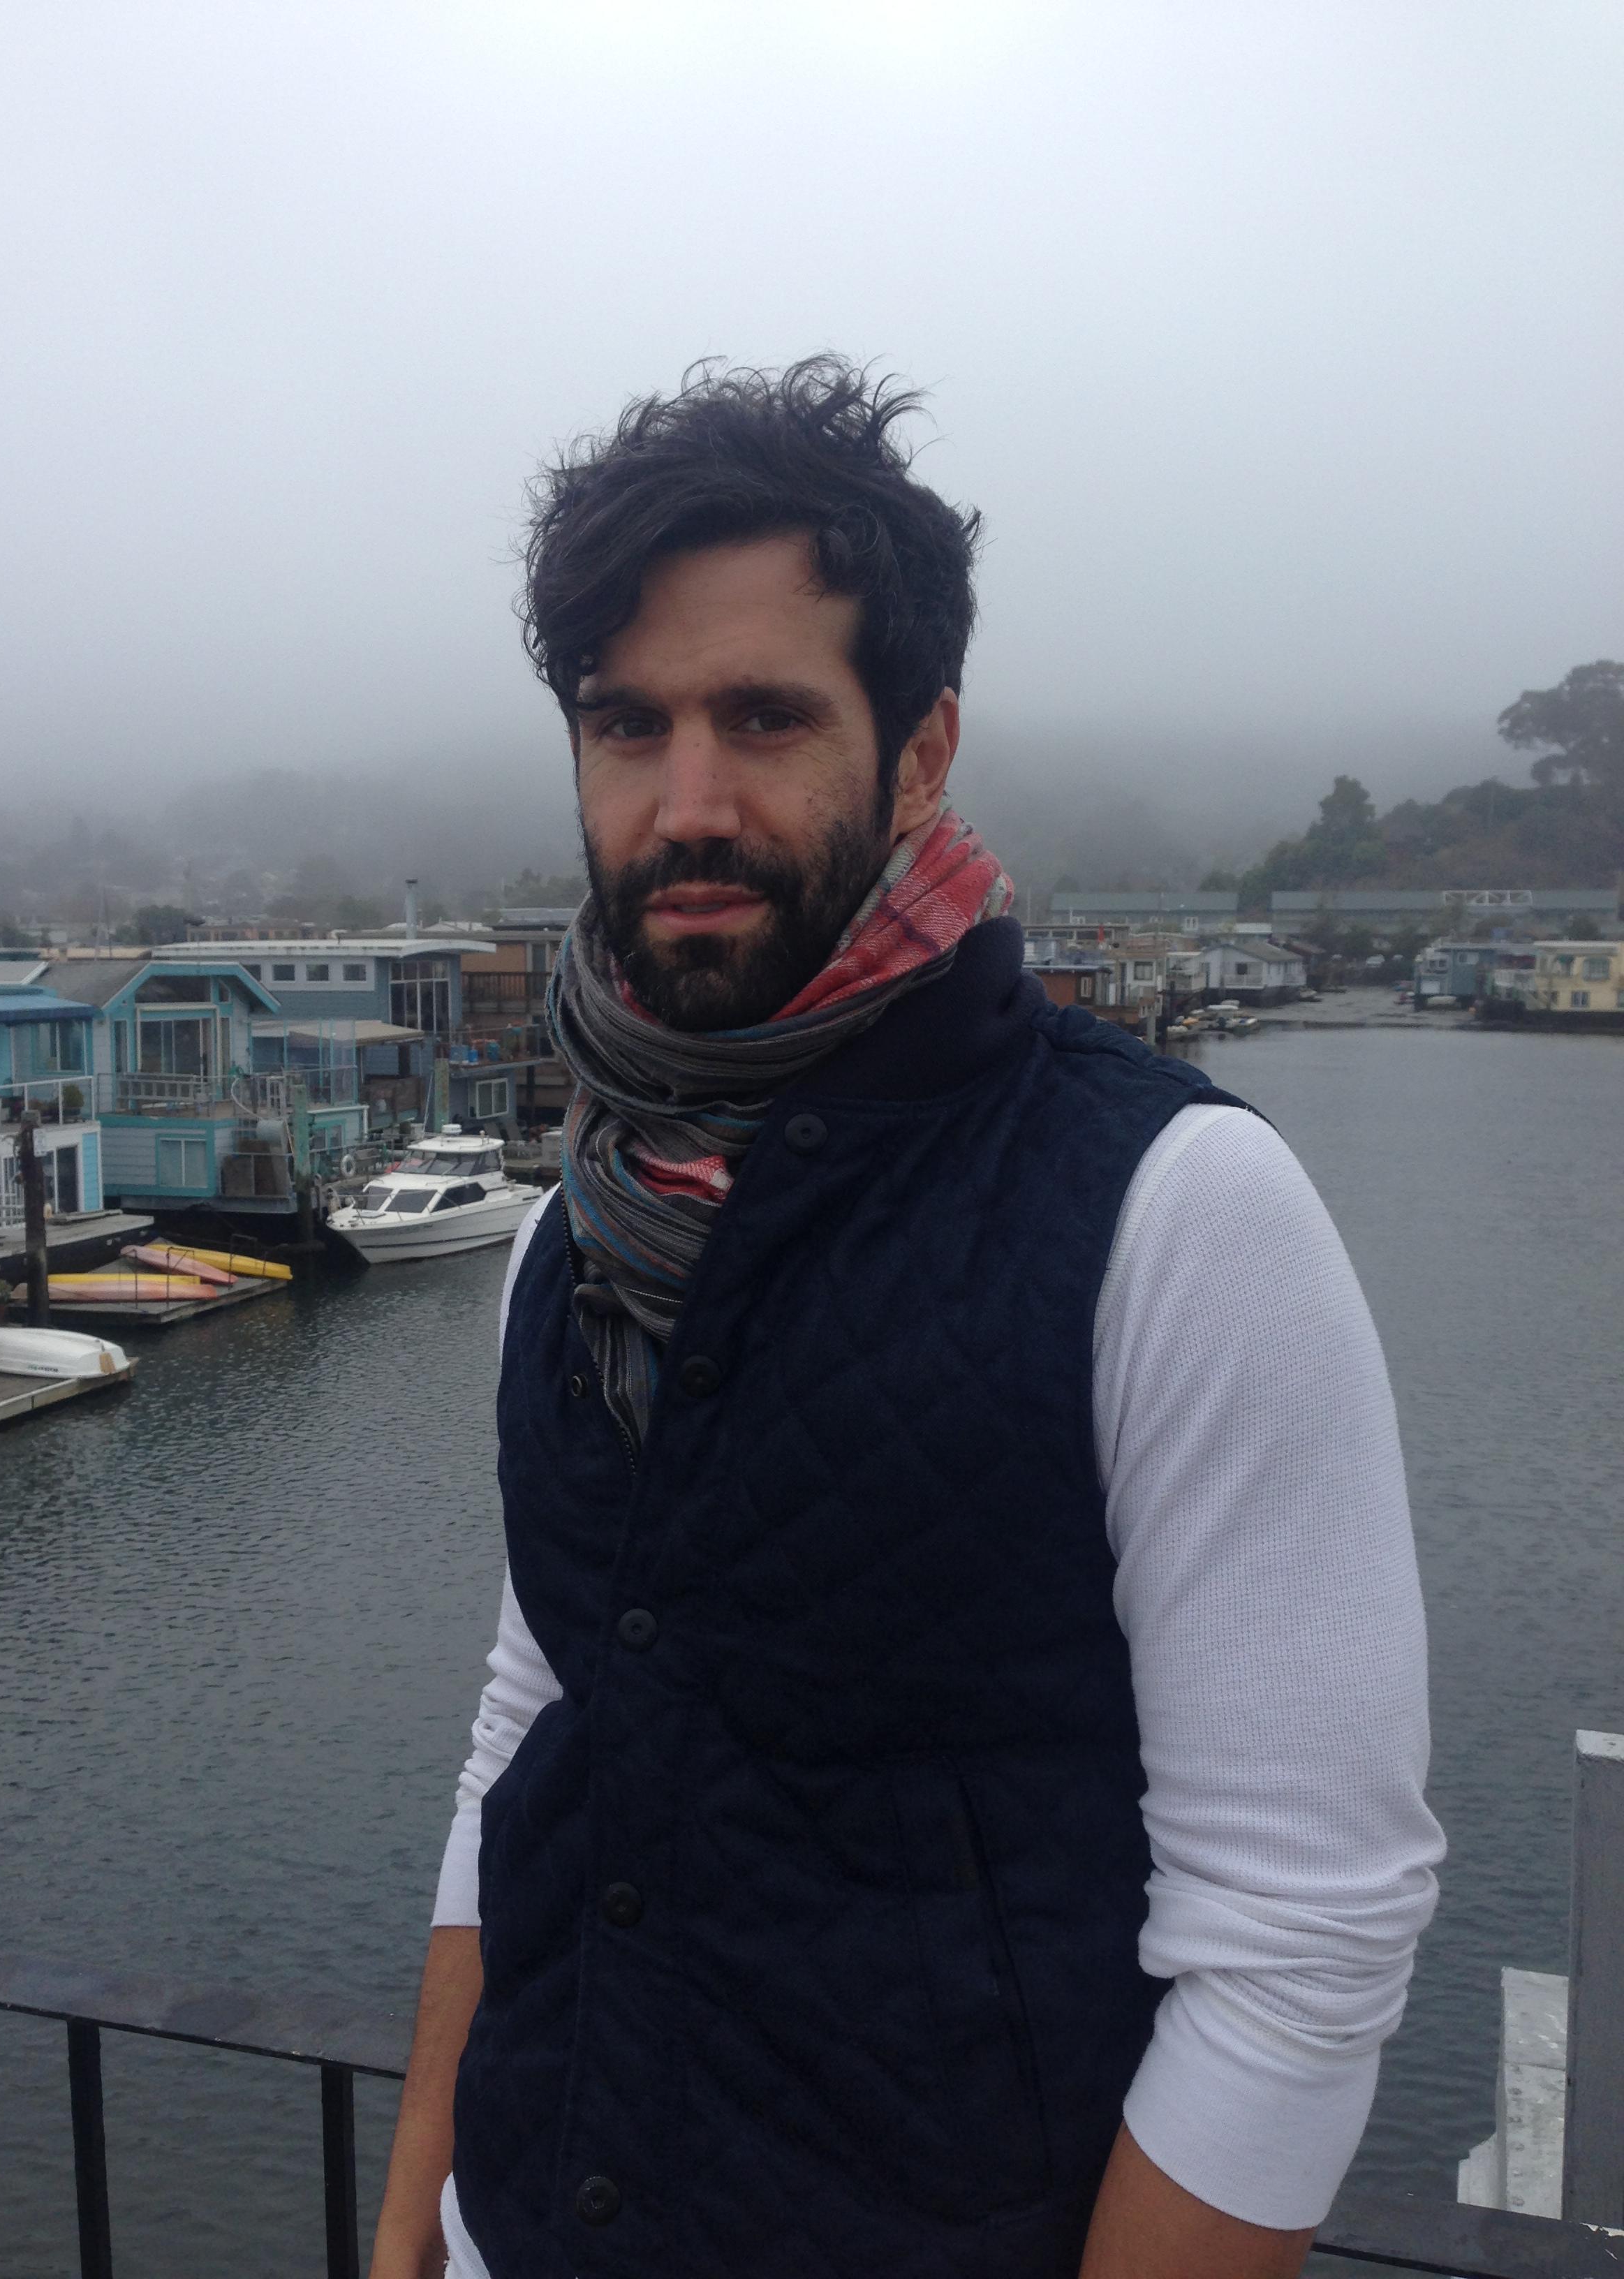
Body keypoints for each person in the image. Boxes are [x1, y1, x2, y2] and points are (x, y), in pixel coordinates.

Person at [369, 359, 1442, 2279]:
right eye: (627, 725)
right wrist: (411, 2233)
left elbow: (1300, 1941)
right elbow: (533, 1729)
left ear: (921, 749)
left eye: (765, 716)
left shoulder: (1171, 1213)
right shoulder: (570, 1231)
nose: (686, 802)